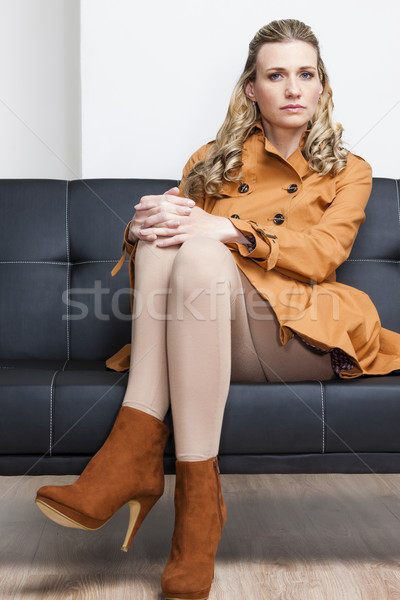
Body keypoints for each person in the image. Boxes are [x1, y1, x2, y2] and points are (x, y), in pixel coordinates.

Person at [35, 18, 400, 600]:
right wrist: (138, 229)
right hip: (206, 330)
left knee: (200, 247)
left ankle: (137, 462)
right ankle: (195, 506)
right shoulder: (211, 159)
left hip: (297, 329)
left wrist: (231, 230)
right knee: (164, 237)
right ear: (251, 88)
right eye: (275, 75)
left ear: (323, 86)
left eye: (306, 74)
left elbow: (325, 252)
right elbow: (170, 262)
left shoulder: (347, 170)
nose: (293, 88)